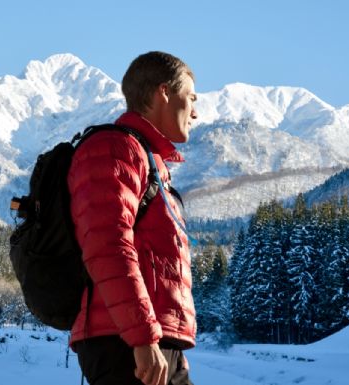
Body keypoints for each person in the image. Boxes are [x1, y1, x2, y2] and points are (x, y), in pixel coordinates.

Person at [68, 51, 198, 385]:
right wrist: (143, 339)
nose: (195, 112)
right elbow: (108, 245)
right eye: (191, 97)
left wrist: (172, 345)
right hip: (124, 344)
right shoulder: (115, 149)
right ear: (164, 92)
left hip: (150, 340)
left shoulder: (149, 160)